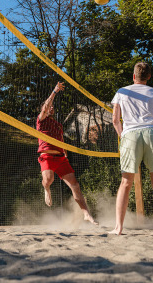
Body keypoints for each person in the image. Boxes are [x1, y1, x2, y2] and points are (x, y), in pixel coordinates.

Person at [110, 62, 153, 238]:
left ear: (133, 76)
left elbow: (115, 120)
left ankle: (119, 228)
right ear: (149, 76)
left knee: (125, 183)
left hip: (130, 135)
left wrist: (123, 136)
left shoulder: (122, 91)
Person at [37, 82, 97, 225]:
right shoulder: (41, 121)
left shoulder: (58, 125)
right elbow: (45, 106)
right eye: (48, 107)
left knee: (75, 185)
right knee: (48, 179)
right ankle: (46, 189)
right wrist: (55, 91)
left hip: (60, 157)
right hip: (46, 156)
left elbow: (61, 140)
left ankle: (86, 214)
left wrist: (65, 154)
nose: (51, 107)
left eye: (52, 107)